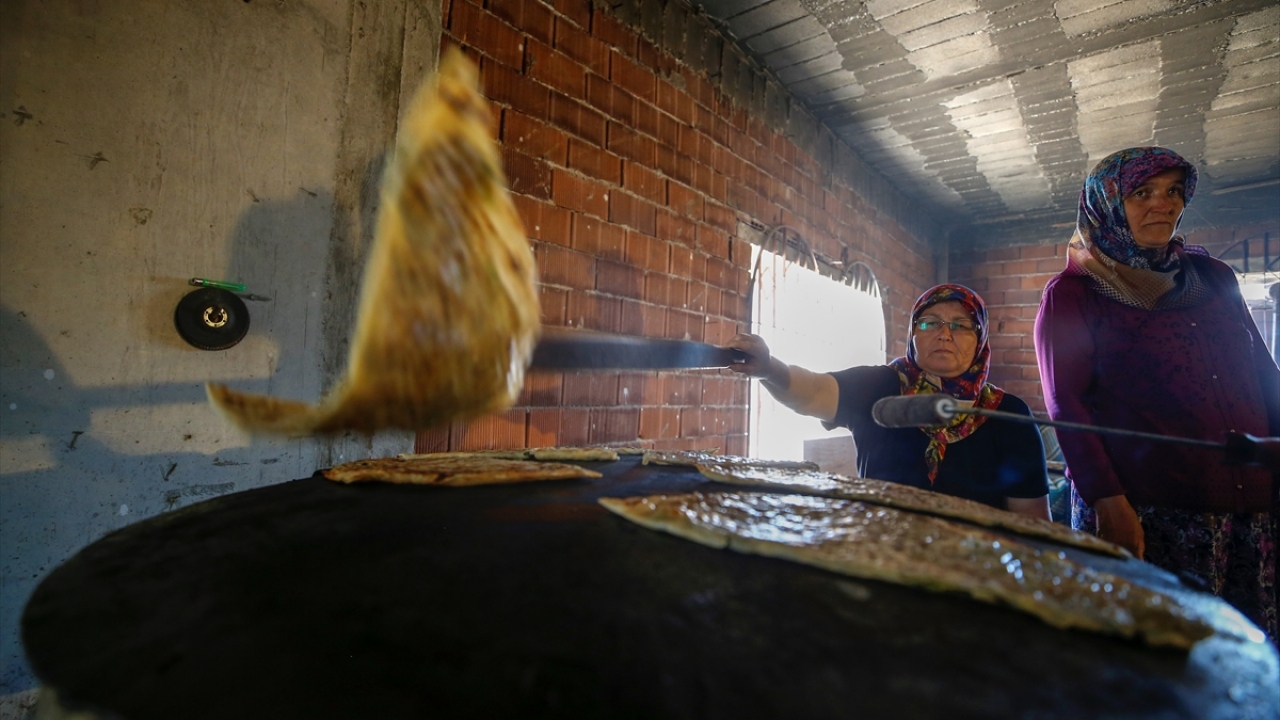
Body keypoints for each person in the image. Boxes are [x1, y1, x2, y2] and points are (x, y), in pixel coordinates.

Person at [1035, 146, 1280, 642]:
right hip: (1152, 511)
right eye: (1142, 193)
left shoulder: (1213, 277)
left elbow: (1262, 372)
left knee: (1246, 653)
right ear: (1106, 204)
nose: (1162, 204)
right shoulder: (1075, 293)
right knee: (1162, 652)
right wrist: (1109, 503)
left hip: (1252, 507)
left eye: (1173, 191)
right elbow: (1068, 406)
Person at [729, 284, 1051, 519]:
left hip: (976, 575)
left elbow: (1031, 519)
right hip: (882, 552)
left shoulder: (1007, 414)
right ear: (912, 334)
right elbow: (812, 391)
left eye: (961, 325)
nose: (945, 334)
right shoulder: (878, 386)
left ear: (980, 339)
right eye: (930, 323)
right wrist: (769, 368)